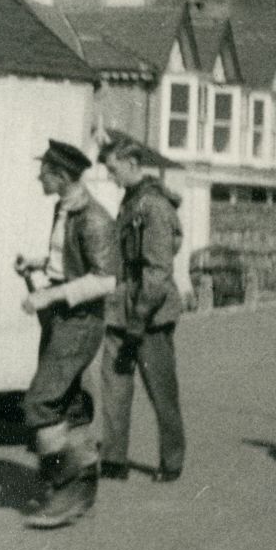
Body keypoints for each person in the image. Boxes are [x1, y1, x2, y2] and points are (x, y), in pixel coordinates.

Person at [15, 140, 117, 528]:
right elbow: (68, 260)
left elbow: (105, 280)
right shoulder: (65, 209)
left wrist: (49, 295)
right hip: (62, 318)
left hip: (79, 322)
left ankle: (67, 486)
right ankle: (81, 483)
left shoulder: (94, 218)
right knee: (68, 405)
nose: (38, 176)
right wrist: (39, 263)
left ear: (60, 175)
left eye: (43, 171)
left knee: (40, 404)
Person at [96, 135, 186, 483]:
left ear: (132, 165)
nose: (110, 176)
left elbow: (158, 271)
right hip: (122, 309)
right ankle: (115, 459)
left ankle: (172, 461)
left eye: (113, 169)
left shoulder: (154, 206)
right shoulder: (131, 201)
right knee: (115, 385)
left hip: (150, 315)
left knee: (161, 391)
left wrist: (139, 319)